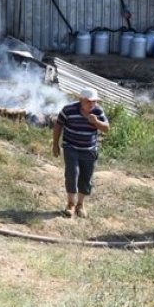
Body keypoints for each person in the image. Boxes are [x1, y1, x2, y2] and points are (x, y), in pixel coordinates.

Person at [51, 87, 110, 218]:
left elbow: (106, 128)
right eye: (88, 101)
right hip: (71, 147)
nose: (91, 104)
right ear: (81, 100)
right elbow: (58, 125)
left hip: (89, 150)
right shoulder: (69, 110)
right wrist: (55, 144)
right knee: (72, 173)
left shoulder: (98, 111)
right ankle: (70, 204)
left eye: (94, 101)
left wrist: (96, 122)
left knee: (86, 178)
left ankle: (80, 205)